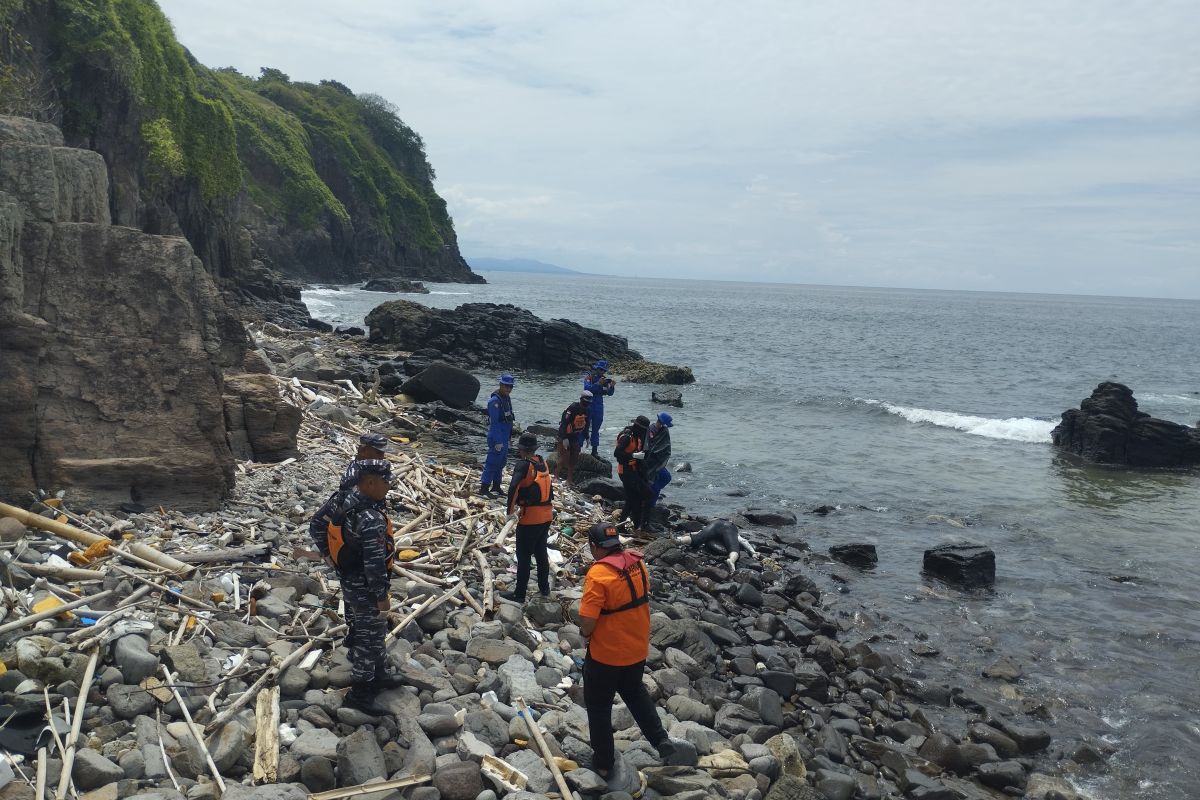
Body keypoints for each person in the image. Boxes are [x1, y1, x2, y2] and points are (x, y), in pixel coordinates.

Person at [579, 523, 693, 780]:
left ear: (595, 547)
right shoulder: (638, 564)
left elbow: (587, 620)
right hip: (637, 649)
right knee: (634, 692)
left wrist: (584, 635)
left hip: (606, 655)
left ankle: (604, 763)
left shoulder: (598, 574)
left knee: (598, 706)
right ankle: (660, 738)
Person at [312, 459, 401, 714]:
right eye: (385, 482)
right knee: (368, 637)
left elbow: (316, 524)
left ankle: (379, 673)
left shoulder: (345, 499)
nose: (389, 487)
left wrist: (328, 555)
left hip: (349, 577)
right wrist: (381, 596)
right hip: (366, 586)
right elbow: (374, 564)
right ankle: (360, 693)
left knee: (374, 631)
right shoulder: (370, 518)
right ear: (370, 483)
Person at [500, 433, 555, 602]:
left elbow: (514, 487)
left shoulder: (523, 465)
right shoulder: (542, 462)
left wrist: (509, 511)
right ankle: (544, 588)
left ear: (522, 449)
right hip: (547, 515)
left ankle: (519, 594)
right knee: (540, 552)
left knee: (523, 556)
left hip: (531, 518)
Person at [481, 373, 517, 496]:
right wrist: (497, 441)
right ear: (501, 385)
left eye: (510, 387)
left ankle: (496, 487)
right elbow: (495, 423)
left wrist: (510, 435)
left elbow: (509, 418)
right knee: (492, 462)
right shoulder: (494, 401)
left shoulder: (506, 399)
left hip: (505, 435)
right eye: (506, 386)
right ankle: (484, 488)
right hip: (497, 436)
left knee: (501, 462)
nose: (508, 389)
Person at [675, 519, 758, 571]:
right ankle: (731, 561)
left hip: (716, 523)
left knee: (697, 538)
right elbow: (743, 541)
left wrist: (688, 534)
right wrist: (753, 552)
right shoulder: (733, 530)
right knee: (734, 548)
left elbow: (700, 532)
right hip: (729, 528)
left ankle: (679, 540)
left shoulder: (715, 523)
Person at [613, 415, 651, 530]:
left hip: (633, 470)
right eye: (643, 430)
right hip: (625, 471)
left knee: (633, 498)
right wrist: (633, 455)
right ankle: (640, 524)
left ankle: (625, 524)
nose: (644, 432)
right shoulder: (627, 437)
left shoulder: (637, 437)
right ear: (638, 428)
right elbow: (617, 453)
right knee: (642, 495)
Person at [640, 413, 674, 526]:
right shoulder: (650, 430)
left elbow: (665, 446)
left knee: (665, 478)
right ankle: (649, 502)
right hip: (649, 463)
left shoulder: (663, 431)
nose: (663, 425)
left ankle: (652, 497)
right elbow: (647, 446)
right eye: (663, 423)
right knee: (659, 480)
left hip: (657, 463)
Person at [556, 390, 592, 484]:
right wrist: (564, 438)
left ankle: (569, 480)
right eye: (585, 401)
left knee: (574, 459)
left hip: (574, 437)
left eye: (589, 402)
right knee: (564, 457)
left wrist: (587, 437)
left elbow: (586, 425)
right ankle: (556, 477)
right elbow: (564, 423)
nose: (587, 404)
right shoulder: (572, 408)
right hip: (564, 436)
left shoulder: (587, 410)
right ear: (581, 399)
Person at [582, 360, 616, 458]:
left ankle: (594, 451)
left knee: (596, 429)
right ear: (596, 368)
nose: (602, 371)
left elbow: (609, 393)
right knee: (583, 427)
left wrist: (612, 386)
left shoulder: (605, 380)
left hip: (598, 406)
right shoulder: (589, 376)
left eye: (604, 370)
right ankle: (578, 448)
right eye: (601, 369)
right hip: (588, 404)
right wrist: (598, 384)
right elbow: (587, 389)